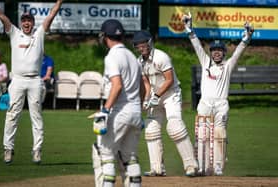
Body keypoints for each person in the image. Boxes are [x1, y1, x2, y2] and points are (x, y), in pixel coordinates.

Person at [182, 12, 254, 175]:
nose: (216, 53)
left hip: (221, 104)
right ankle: (202, 165)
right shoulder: (205, 62)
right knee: (202, 135)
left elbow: (239, 52)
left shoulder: (228, 66)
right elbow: (197, 46)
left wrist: (247, 37)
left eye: (219, 51)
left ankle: (218, 166)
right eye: (214, 50)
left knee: (220, 134)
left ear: (223, 53)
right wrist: (189, 29)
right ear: (211, 52)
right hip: (205, 103)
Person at [0, 0, 63, 164]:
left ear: (33, 23)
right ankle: (8, 149)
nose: (27, 23)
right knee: (12, 115)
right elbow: (1, 16)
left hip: (35, 80)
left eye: (29, 20)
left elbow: (51, 15)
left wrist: (59, 2)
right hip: (18, 80)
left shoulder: (39, 33)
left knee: (36, 116)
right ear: (21, 23)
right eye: (24, 20)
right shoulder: (14, 33)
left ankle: (37, 150)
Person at [132, 30, 198, 177]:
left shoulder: (162, 57)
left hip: (171, 94)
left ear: (149, 43)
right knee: (151, 129)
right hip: (156, 96)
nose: (141, 48)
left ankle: (191, 166)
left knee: (175, 126)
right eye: (138, 46)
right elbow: (147, 84)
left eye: (143, 45)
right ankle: (157, 168)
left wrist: (157, 95)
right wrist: (146, 99)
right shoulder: (139, 61)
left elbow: (169, 80)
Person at [91, 19, 144, 187]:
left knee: (104, 155)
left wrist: (104, 111)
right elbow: (143, 88)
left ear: (105, 37)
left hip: (119, 112)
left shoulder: (112, 56)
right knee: (130, 158)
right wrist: (138, 108)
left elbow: (117, 85)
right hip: (135, 113)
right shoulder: (132, 57)